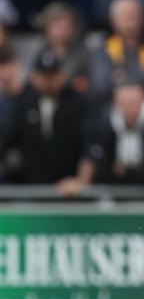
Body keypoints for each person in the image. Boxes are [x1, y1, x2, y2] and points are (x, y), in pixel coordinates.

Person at [0, 50, 93, 196]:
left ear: (62, 76)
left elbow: (89, 145)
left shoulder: (78, 104)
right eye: (44, 76)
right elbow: (7, 141)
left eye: (53, 75)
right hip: (31, 189)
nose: (49, 81)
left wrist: (81, 181)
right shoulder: (23, 102)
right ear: (34, 77)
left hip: (69, 189)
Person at [87, 82, 144, 185]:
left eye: (133, 103)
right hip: (115, 192)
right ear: (116, 104)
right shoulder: (105, 128)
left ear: (143, 102)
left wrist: (126, 173)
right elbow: (100, 168)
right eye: (124, 103)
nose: (129, 109)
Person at [89, 0, 144, 104]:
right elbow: (101, 83)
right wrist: (142, 77)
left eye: (136, 16)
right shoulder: (103, 48)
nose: (133, 22)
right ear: (113, 21)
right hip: (112, 107)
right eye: (127, 17)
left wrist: (122, 77)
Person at [33, 1, 90, 93]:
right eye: (58, 26)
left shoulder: (82, 51)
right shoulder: (38, 48)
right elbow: (29, 76)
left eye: (67, 27)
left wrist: (64, 81)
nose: (62, 32)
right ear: (47, 27)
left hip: (71, 99)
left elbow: (82, 83)